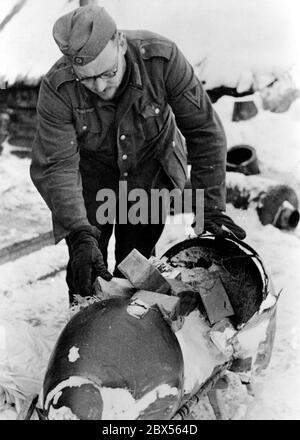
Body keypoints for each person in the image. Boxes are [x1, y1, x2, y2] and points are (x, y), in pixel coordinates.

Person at [30, 5, 246, 304]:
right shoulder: (58, 87)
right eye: (88, 80)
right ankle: (84, 332)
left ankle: (137, 334)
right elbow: (56, 165)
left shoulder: (162, 60)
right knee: (86, 266)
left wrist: (209, 208)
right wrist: (79, 233)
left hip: (151, 171)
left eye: (108, 73)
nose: (101, 86)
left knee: (135, 265)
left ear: (119, 43)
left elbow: (204, 132)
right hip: (93, 179)